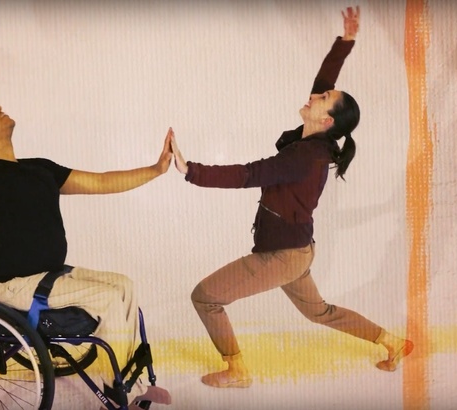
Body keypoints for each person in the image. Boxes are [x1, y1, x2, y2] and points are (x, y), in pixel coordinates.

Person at [0, 23, 172, 408]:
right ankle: (115, 393)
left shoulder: (39, 168)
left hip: (47, 276)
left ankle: (131, 378)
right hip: (12, 286)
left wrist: (154, 170)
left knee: (124, 285)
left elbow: (99, 182)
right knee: (110, 300)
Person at [169, 6, 413, 388]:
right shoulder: (315, 140)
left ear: (326, 119)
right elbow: (323, 80)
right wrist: (345, 43)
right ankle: (391, 341)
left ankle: (237, 370)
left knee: (205, 297)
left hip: (281, 256)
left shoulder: (304, 156)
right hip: (298, 250)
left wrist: (190, 171)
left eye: (323, 98)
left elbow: (250, 174)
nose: (315, 95)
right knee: (320, 313)